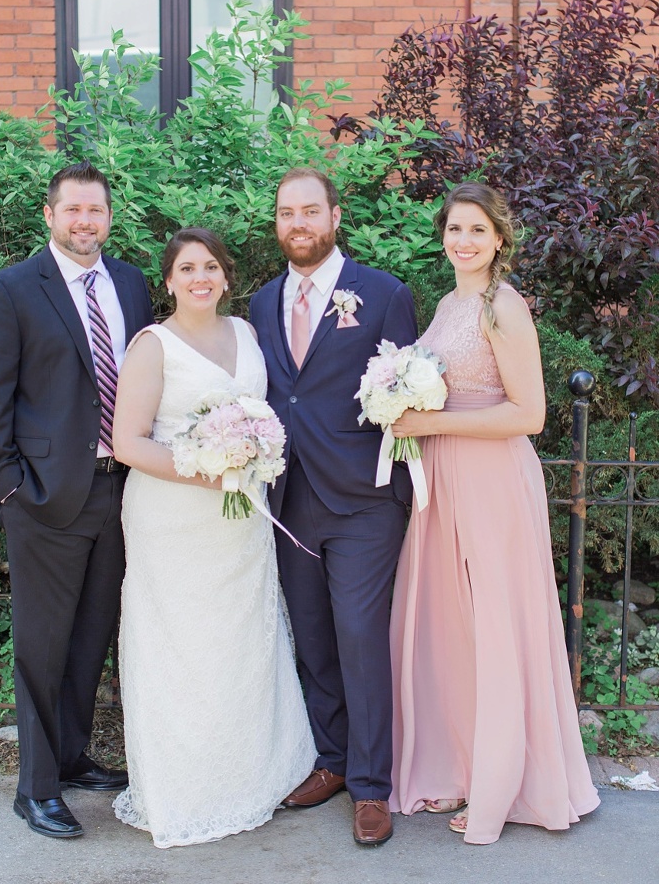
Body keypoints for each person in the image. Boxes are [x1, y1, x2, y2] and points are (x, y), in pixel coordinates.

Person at [388, 181, 600, 844]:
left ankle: (505, 783)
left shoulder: (503, 305)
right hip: (444, 477)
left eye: (477, 229)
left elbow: (529, 414)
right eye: (455, 228)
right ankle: (464, 763)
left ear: (500, 238)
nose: (464, 240)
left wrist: (431, 420)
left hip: (491, 479)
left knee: (496, 629)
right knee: (454, 627)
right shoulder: (449, 302)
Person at [110, 226, 316, 848]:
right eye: (187, 269)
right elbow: (128, 443)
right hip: (173, 519)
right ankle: (186, 791)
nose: (200, 278)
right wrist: (208, 471)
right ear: (169, 281)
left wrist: (248, 461)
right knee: (182, 649)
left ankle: (250, 777)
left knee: (239, 643)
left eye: (210, 267)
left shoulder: (247, 334)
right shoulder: (153, 347)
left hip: (241, 520)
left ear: (226, 277)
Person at [0, 160, 154, 839]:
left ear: (109, 216)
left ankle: (71, 757)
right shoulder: (12, 290)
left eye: (94, 209)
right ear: (49, 215)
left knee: (90, 638)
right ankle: (37, 787)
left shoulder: (130, 283)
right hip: (44, 498)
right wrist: (10, 489)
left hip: (119, 491)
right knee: (42, 647)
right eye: (72, 209)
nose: (84, 221)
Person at [249, 168, 418, 847]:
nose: (298, 223)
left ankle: (372, 787)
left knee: (358, 636)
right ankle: (334, 759)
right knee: (314, 637)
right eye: (287, 212)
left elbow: (405, 391)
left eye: (310, 211)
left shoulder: (383, 294)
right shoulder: (262, 302)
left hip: (363, 500)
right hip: (289, 495)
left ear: (335, 216)